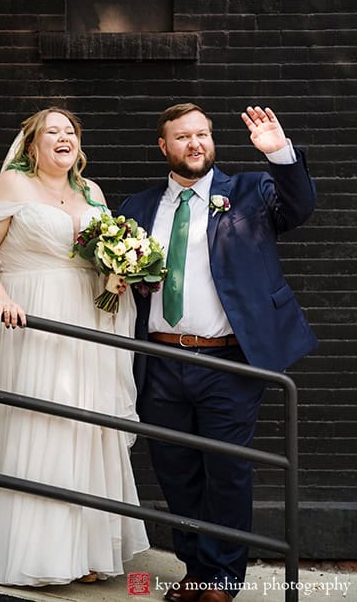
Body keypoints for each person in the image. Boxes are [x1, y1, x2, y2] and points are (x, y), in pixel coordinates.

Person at [119, 103, 318, 602]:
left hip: (228, 362)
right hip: (160, 361)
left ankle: (223, 580)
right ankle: (196, 569)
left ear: (212, 140)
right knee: (175, 471)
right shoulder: (137, 208)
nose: (195, 143)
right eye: (182, 137)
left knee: (226, 471)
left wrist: (280, 154)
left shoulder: (250, 191)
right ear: (163, 146)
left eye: (202, 134)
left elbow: (299, 209)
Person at [0, 106, 149, 586]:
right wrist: (1, 298)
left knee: (84, 424)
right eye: (53, 132)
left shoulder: (91, 193)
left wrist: (115, 276)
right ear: (32, 145)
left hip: (88, 319)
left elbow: (96, 258)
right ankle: (40, 553)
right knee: (42, 419)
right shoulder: (11, 186)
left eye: (70, 132)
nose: (63, 138)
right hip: (30, 319)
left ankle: (86, 550)